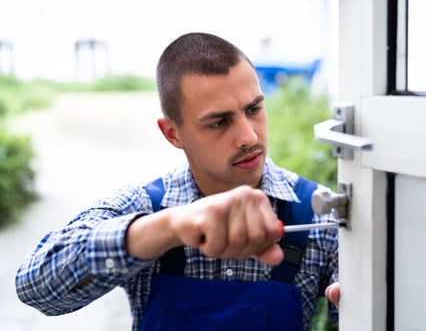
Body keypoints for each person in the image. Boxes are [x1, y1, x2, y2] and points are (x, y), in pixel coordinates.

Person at [16, 32, 340, 331]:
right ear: (173, 133)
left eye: (254, 108)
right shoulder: (145, 206)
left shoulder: (320, 213)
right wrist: (165, 228)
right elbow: (35, 288)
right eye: (219, 122)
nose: (249, 136)